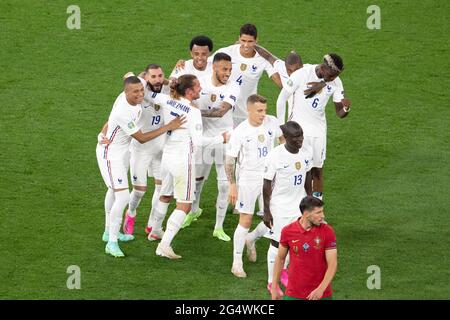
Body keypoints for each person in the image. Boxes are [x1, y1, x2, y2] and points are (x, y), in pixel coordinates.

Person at [96, 76, 185, 257]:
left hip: (121, 153)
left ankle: (108, 232)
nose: (140, 94)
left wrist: (102, 132)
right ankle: (112, 241)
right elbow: (142, 138)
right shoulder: (123, 110)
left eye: (141, 91)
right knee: (122, 197)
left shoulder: (130, 100)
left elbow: (109, 120)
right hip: (110, 155)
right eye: (135, 91)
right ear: (125, 92)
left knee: (113, 191)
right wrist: (169, 126)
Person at [146, 74, 228, 259]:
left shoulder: (167, 100)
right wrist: (220, 138)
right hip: (183, 160)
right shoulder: (193, 112)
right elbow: (198, 142)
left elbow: (147, 93)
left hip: (167, 156)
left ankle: (155, 230)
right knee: (185, 205)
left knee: (165, 194)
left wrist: (137, 77)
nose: (201, 89)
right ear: (190, 91)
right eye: (198, 86)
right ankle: (164, 244)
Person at [180, 53, 241, 242]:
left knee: (224, 185)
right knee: (198, 181)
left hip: (225, 140)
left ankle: (218, 227)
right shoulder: (201, 83)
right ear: (214, 67)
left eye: (230, 69)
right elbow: (179, 87)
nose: (228, 73)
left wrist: (195, 111)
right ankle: (193, 211)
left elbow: (221, 111)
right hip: (203, 140)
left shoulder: (233, 86)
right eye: (224, 69)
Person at [276, 53, 352, 200]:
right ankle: (291, 201)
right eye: (331, 75)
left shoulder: (335, 82)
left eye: (336, 76)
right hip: (297, 130)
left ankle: (316, 207)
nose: (333, 79)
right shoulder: (301, 74)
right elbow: (281, 99)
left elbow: (339, 113)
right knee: (295, 168)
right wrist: (282, 128)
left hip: (318, 132)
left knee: (317, 170)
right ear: (323, 68)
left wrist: (346, 108)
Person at [226, 94, 282, 278]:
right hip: (248, 179)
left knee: (274, 217)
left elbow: (282, 140)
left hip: (270, 177)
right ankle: (237, 262)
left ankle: (252, 238)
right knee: (246, 220)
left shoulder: (272, 122)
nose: (263, 114)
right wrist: (232, 184)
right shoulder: (240, 132)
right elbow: (230, 160)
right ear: (249, 110)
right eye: (259, 111)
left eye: (265, 110)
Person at [121, 64, 171, 240]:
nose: (157, 80)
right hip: (140, 149)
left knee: (160, 187)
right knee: (140, 190)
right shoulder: (141, 87)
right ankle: (131, 212)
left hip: (160, 149)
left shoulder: (166, 87)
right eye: (153, 77)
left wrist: (169, 79)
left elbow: (175, 82)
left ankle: (152, 225)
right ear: (146, 77)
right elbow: (128, 76)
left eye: (160, 76)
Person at [262, 121, 313, 296]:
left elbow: (307, 180)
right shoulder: (275, 156)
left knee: (295, 240)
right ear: (286, 138)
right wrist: (267, 211)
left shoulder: (306, 154)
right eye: (296, 137)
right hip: (280, 207)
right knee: (277, 243)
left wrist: (310, 204)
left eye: (301, 136)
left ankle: (284, 271)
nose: (300, 140)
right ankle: (271, 282)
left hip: (299, 206)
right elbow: (266, 185)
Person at [271, 196, 337, 300]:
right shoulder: (288, 231)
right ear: (306, 214)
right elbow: (280, 258)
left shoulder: (327, 231)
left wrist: (321, 289)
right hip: (293, 293)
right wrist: (274, 287)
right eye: (318, 212)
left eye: (322, 211)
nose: (322, 216)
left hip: (321, 294)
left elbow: (332, 264)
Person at [216, 23, 281, 127]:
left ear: (256, 40)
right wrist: (183, 63)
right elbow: (203, 63)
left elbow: (279, 81)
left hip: (246, 113)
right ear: (239, 38)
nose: (246, 45)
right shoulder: (227, 52)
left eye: (250, 41)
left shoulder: (262, 60)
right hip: (225, 111)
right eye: (243, 41)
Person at [254, 45, 307, 124]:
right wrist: (252, 45)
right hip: (291, 121)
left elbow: (326, 72)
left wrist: (321, 84)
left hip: (307, 120)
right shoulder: (281, 67)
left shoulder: (309, 71)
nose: (293, 74)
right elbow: (268, 56)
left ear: (301, 66)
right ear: (285, 67)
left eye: (296, 70)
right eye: (289, 70)